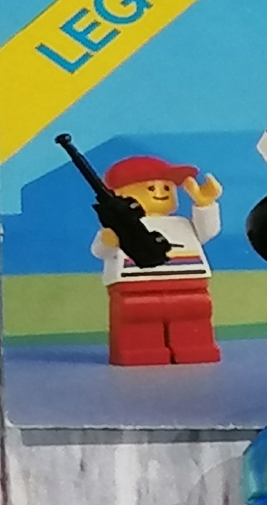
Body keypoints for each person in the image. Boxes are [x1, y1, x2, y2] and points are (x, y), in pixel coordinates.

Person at [90, 155, 223, 365]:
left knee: (192, 314)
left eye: (167, 188)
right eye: (151, 188)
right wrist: (109, 241)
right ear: (120, 195)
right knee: (138, 318)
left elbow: (207, 231)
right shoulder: (122, 227)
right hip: (134, 285)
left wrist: (204, 205)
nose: (161, 193)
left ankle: (193, 346)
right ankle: (141, 349)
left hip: (189, 283)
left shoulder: (182, 223)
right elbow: (99, 250)